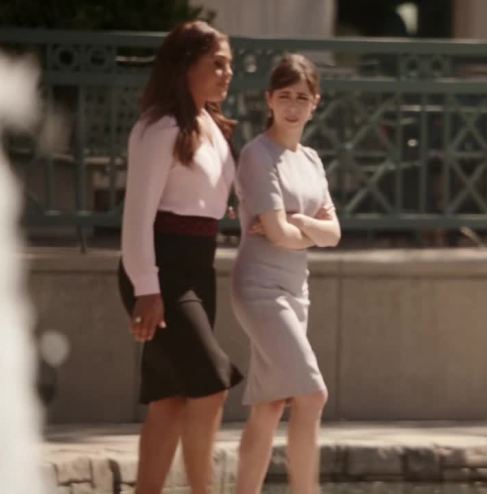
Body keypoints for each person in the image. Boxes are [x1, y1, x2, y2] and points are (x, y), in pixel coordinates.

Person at [118, 20, 243, 494]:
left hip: (198, 268)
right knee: (211, 383)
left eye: (229, 64)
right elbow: (137, 217)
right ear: (186, 65)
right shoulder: (158, 128)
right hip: (160, 271)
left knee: (170, 398)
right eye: (218, 64)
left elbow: (213, 200)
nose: (228, 73)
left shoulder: (211, 124)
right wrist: (146, 288)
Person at [231, 53, 341, 494]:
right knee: (312, 395)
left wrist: (300, 223)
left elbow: (334, 233)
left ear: (315, 103)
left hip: (297, 290)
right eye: (284, 96)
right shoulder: (257, 155)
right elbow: (275, 234)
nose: (293, 106)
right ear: (269, 99)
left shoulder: (311, 159)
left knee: (270, 404)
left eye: (302, 97)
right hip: (260, 289)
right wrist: (306, 230)